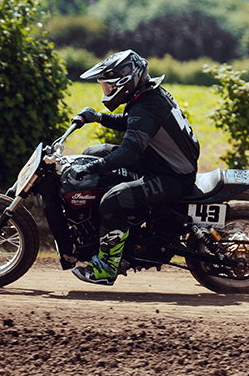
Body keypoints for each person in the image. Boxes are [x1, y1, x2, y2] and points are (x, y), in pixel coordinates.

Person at [70, 50, 200, 285]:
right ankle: (113, 231)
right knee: (93, 152)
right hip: (159, 163)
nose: (105, 92)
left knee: (113, 200)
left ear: (125, 82)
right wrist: (98, 117)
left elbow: (129, 152)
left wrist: (94, 169)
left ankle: (107, 267)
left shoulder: (147, 105)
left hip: (172, 175)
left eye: (107, 86)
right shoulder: (148, 96)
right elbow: (133, 123)